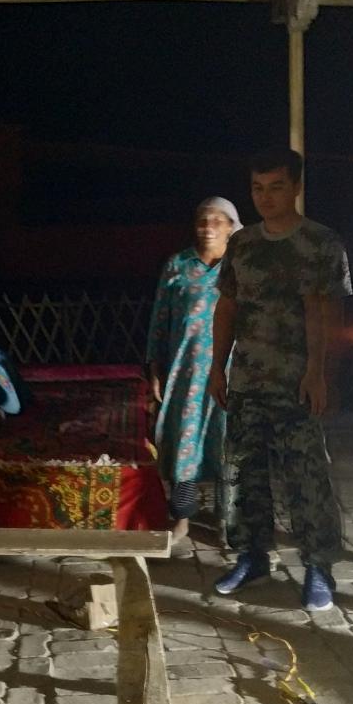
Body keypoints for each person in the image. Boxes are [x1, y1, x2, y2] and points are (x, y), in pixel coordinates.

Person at [208, 147, 351, 612]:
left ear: (296, 187)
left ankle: (318, 567)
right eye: (257, 188)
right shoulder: (243, 244)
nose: (265, 197)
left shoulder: (320, 242)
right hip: (248, 378)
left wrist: (320, 374)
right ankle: (252, 557)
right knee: (243, 474)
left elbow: (327, 314)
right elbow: (227, 306)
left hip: (297, 382)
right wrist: (217, 366)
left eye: (276, 187)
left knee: (306, 478)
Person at [146, 197, 241, 543]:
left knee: (228, 444)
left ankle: (226, 521)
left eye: (217, 220)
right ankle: (183, 519)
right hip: (186, 374)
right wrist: (155, 366)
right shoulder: (179, 265)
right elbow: (160, 318)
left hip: (231, 373)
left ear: (231, 227)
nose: (208, 227)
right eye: (202, 220)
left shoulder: (242, 267)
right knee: (184, 445)